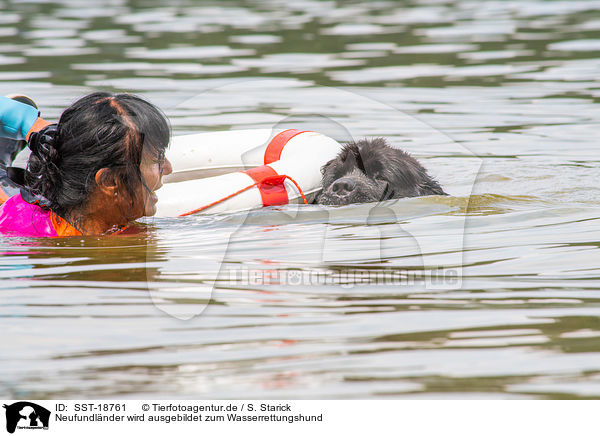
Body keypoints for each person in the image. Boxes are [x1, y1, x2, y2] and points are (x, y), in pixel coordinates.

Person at [0, 92, 172, 237]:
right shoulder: (20, 235)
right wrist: (29, 123)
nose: (169, 168)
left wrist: (32, 126)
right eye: (158, 158)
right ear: (109, 181)